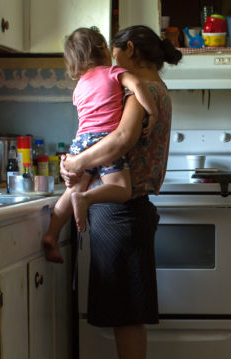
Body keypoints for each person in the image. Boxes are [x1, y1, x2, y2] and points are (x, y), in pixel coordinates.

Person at [59, 25, 182, 359]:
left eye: (115, 53)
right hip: (132, 206)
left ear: (128, 49)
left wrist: (76, 163)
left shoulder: (136, 89)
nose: (110, 61)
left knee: (126, 312)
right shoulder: (155, 87)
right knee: (130, 308)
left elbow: (121, 140)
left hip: (122, 209)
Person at [42, 26, 159, 263]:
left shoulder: (79, 87)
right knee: (122, 189)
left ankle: (51, 235)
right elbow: (138, 85)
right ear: (103, 49)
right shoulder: (113, 72)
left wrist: (75, 160)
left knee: (72, 188)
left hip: (81, 142)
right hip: (104, 140)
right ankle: (86, 199)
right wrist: (152, 111)